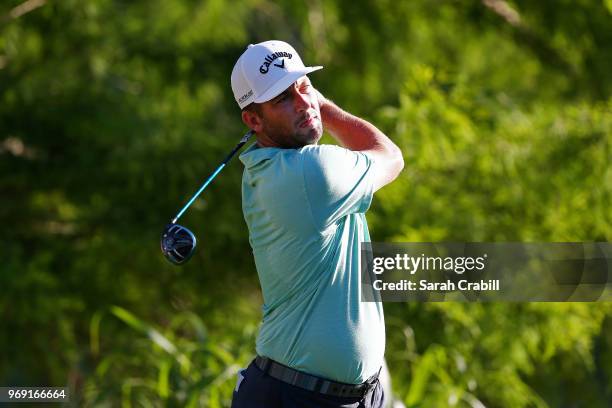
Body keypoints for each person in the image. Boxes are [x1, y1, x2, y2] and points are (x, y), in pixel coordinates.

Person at [230, 40, 403, 408]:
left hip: (347, 396)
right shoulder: (311, 174)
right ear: (253, 120)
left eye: (304, 86)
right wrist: (323, 106)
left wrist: (305, 102)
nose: (302, 102)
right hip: (298, 397)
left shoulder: (268, 167)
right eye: (282, 99)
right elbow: (391, 156)